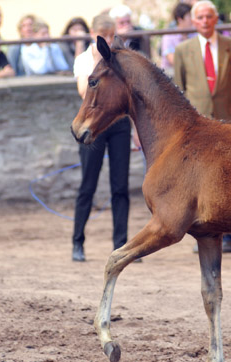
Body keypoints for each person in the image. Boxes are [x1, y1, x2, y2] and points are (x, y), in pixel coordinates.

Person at [173, 0, 231, 253]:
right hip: (199, 124)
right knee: (203, 179)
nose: (205, 21)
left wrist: (230, 108)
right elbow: (180, 89)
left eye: (209, 16)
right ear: (193, 22)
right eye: (200, 18)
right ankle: (205, 231)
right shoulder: (183, 50)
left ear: (216, 19)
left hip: (229, 121)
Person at [71, 14, 136, 262]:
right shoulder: (85, 59)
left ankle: (121, 244)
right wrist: (99, 63)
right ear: (93, 33)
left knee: (120, 186)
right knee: (88, 185)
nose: (108, 40)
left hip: (118, 124)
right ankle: (78, 242)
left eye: (111, 35)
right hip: (94, 125)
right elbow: (82, 91)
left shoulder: (117, 59)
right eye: (103, 35)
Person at [161, 2, 192, 70]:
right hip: (171, 74)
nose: (192, 20)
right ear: (180, 19)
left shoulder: (194, 34)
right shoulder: (169, 36)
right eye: (189, 16)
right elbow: (173, 61)